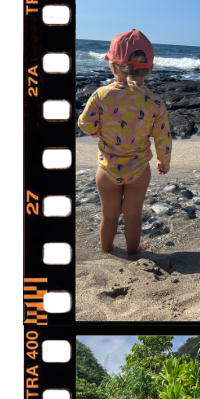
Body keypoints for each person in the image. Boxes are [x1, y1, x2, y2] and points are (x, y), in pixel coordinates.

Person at [77, 30, 172, 259]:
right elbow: (163, 137)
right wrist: (163, 162)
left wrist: (96, 132)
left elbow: (84, 124)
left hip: (107, 168)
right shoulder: (155, 102)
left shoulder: (101, 95)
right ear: (149, 69)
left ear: (113, 66)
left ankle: (107, 250)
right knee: (133, 215)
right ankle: (133, 251)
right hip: (138, 170)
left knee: (109, 215)